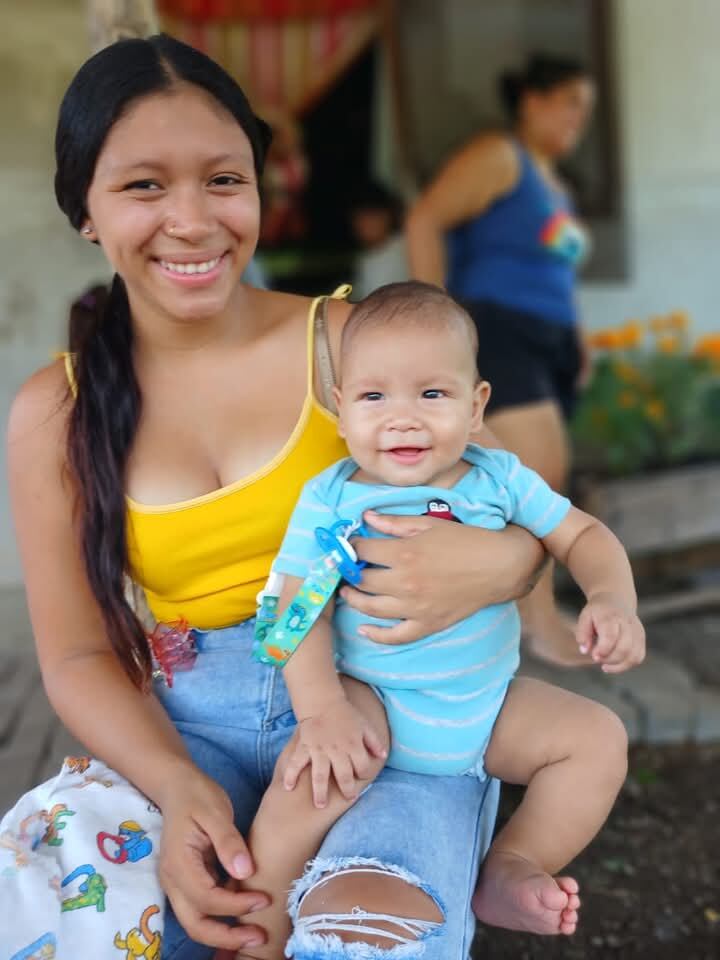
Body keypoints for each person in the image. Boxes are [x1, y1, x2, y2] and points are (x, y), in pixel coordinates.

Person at [5, 34, 552, 960]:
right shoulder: (54, 410)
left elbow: (526, 512)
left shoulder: (347, 345)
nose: (192, 221)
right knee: (55, 912)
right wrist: (176, 786)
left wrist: (505, 563)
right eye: (144, 185)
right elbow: (75, 653)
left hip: (395, 720)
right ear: (85, 210)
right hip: (185, 733)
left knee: (368, 938)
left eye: (224, 180)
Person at [244, 280, 644, 954]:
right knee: (307, 784)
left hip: (483, 708)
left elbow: (581, 535)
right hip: (372, 698)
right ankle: (256, 930)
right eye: (374, 397)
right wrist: (320, 710)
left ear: (476, 405)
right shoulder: (331, 498)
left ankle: (512, 865)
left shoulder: (499, 479)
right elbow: (292, 607)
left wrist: (612, 599)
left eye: (431, 394)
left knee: (598, 739)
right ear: (340, 410)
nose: (403, 419)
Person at [405, 53, 596, 667]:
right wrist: (435, 325)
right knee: (535, 483)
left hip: (547, 338)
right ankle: (539, 625)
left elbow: (556, 271)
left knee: (528, 482)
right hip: (500, 332)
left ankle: (515, 619)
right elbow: (425, 219)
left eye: (585, 108)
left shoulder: (555, 183)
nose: (579, 119)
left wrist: (578, 336)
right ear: (532, 102)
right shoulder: (499, 156)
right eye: (570, 103)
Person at [347, 180, 408, 299]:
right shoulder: (366, 258)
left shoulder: (404, 248)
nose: (366, 223)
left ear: (388, 215)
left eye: (372, 215)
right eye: (360, 217)